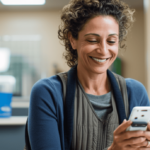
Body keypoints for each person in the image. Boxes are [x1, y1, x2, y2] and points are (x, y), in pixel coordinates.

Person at [27, 0, 150, 150]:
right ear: (72, 39)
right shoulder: (48, 93)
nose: (104, 50)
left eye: (111, 41)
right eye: (93, 40)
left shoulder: (135, 92)